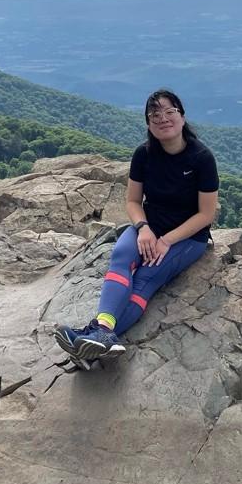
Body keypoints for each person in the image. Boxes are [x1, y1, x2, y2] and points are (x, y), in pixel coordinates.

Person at [54, 89, 219, 362]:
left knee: (146, 276)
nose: (163, 119)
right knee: (121, 256)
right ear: (148, 123)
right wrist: (143, 228)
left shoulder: (201, 158)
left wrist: (166, 241)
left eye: (169, 112)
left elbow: (206, 214)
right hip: (148, 226)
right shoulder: (144, 154)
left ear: (182, 116)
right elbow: (132, 201)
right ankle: (102, 333)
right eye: (155, 115)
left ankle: (94, 339)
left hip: (187, 238)